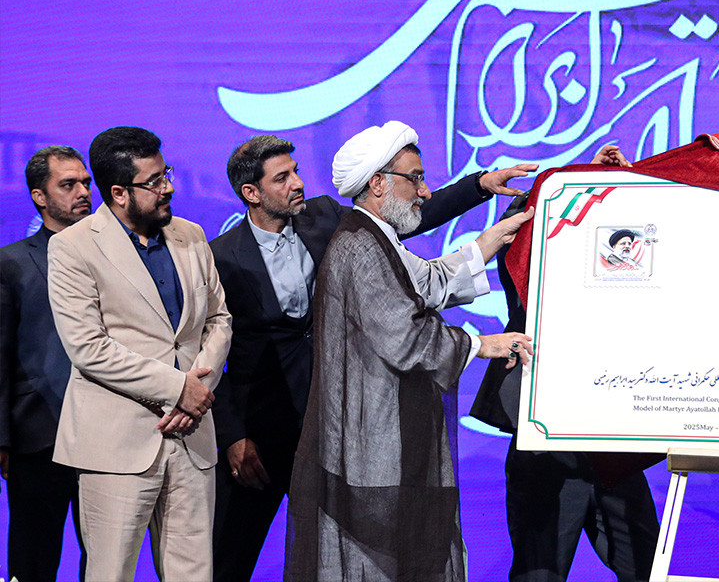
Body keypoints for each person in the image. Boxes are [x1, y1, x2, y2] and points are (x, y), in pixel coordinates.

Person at [209, 135, 537, 582]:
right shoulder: (222, 256)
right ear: (252, 192)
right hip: (265, 430)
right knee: (231, 557)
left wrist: (479, 190)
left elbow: (413, 232)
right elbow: (214, 352)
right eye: (282, 177)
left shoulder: (329, 220)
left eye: (296, 171)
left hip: (336, 422)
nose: (298, 183)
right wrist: (233, 435)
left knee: (340, 548)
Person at [47, 127, 233, 581]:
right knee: (110, 573)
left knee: (194, 572)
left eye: (166, 174)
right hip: (117, 444)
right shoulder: (72, 247)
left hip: (192, 436)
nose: (167, 187)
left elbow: (219, 319)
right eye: (153, 181)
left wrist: (197, 394)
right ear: (119, 193)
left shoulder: (191, 235)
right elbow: (89, 348)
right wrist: (178, 389)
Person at [471, 144, 661, 582]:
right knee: (540, 569)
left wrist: (612, 189)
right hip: (545, 425)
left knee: (645, 564)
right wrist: (578, 180)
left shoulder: (629, 274)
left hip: (611, 430)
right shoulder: (531, 253)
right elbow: (529, 220)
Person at [0, 146, 92, 582]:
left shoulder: (115, 256)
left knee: (107, 560)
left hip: (106, 435)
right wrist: (2, 437)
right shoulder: (11, 263)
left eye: (85, 183)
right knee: (34, 559)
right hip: (38, 434)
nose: (83, 192)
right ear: (39, 196)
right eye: (68, 184)